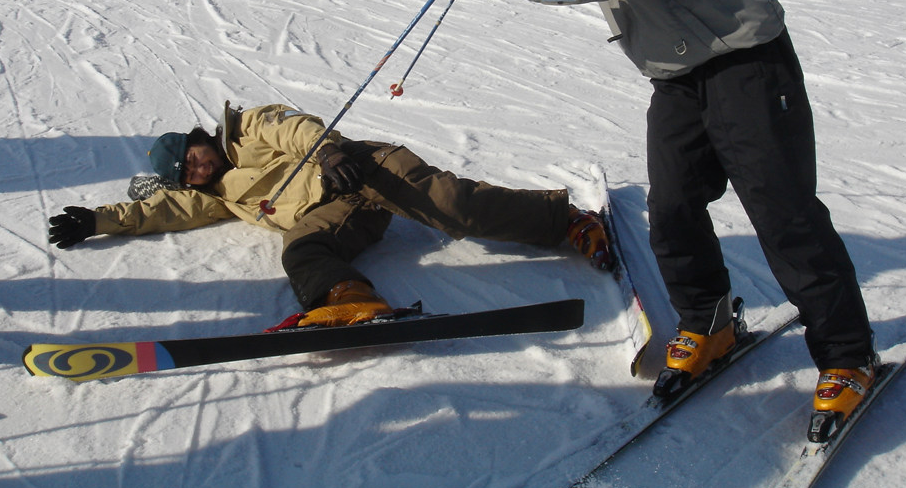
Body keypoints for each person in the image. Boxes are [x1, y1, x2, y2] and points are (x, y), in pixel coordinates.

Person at [436, 0, 876, 440]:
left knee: (784, 216)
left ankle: (847, 355)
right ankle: (709, 322)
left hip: (742, 59)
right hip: (680, 70)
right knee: (672, 209)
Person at [48, 102, 610, 328]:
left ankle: (564, 220)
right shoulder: (216, 194)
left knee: (452, 208)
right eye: (188, 174)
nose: (197, 171)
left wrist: (328, 153)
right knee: (300, 248)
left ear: (197, 139)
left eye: (192, 160)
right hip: (337, 211)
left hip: (355, 167)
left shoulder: (245, 128)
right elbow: (162, 209)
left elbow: (295, 129)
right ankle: (350, 300)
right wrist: (97, 221)